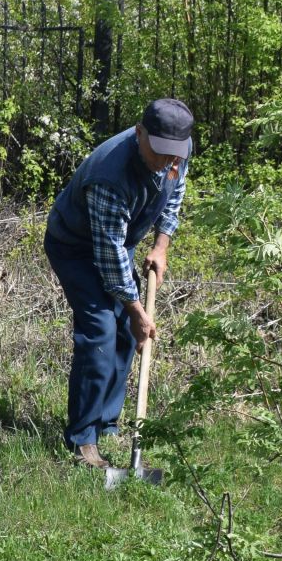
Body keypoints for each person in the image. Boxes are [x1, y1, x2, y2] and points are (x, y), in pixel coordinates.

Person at [42, 98, 192, 467]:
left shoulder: (174, 150)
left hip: (116, 242)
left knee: (127, 332)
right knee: (100, 331)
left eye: (175, 156)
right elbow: (108, 254)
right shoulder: (109, 175)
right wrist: (138, 310)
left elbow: (174, 194)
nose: (168, 163)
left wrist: (161, 246)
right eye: (160, 154)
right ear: (139, 133)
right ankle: (83, 439)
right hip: (75, 247)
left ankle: (107, 419)